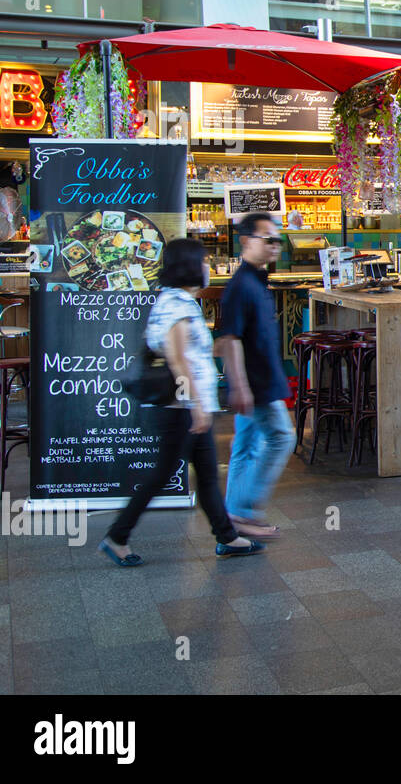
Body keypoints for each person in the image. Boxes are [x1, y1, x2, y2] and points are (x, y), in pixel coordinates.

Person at [101, 240, 263, 565]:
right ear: (189, 265)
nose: (207, 266)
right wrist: (197, 405)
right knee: (162, 475)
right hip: (180, 409)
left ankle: (227, 537)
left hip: (187, 406)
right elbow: (177, 360)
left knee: (205, 475)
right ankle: (118, 537)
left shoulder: (179, 301)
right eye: (203, 261)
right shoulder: (177, 304)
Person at [217, 212, 294, 540]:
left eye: (278, 239)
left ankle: (233, 519)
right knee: (281, 437)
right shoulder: (241, 285)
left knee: (246, 446)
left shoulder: (256, 280)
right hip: (256, 384)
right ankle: (243, 511)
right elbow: (229, 339)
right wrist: (241, 386)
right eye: (268, 239)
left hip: (258, 381)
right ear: (247, 241)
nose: (275, 245)